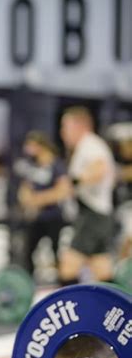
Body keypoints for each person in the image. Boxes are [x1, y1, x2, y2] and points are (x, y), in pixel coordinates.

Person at [59, 107, 116, 284]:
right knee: (102, 270)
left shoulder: (89, 144)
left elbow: (100, 168)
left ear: (79, 126)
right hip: (100, 215)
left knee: (68, 268)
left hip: (93, 215)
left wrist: (75, 181)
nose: (62, 133)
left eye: (65, 127)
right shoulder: (89, 146)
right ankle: (121, 310)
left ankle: (72, 310)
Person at [17, 131, 70, 278]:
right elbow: (25, 189)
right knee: (28, 251)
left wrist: (39, 199)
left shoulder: (56, 165)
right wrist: (26, 199)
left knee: (57, 251)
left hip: (53, 216)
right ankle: (27, 282)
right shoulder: (32, 165)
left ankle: (64, 284)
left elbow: (63, 190)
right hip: (37, 217)